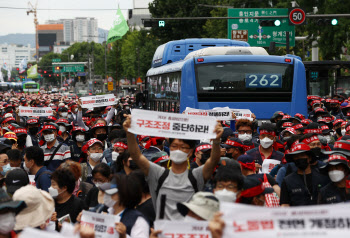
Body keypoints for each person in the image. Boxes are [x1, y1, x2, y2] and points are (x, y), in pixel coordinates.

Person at [124, 115, 223, 220]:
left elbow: (213, 160)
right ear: (169, 149)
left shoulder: (196, 176)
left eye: (183, 147)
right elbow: (137, 156)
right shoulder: (157, 174)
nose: (178, 150)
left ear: (190, 153)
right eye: (174, 146)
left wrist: (216, 141)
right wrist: (130, 132)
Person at [100, 174, 150, 238]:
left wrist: (124, 236)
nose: (106, 196)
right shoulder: (106, 213)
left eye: (110, 193)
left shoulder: (138, 220)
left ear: (122, 194)